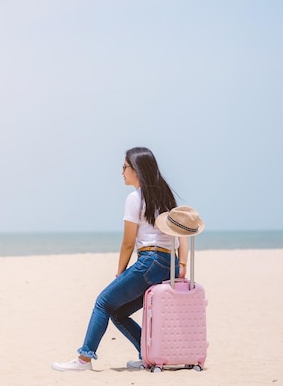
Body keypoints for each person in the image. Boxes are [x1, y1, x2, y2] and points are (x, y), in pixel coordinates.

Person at [51, 147, 189, 372]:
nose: (122, 172)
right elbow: (182, 235)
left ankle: (84, 359)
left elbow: (128, 242)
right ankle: (147, 356)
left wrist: (121, 271)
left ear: (136, 170)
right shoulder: (166, 197)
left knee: (103, 302)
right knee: (118, 311)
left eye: (124, 167)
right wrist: (181, 265)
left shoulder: (135, 199)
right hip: (168, 265)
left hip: (150, 261)